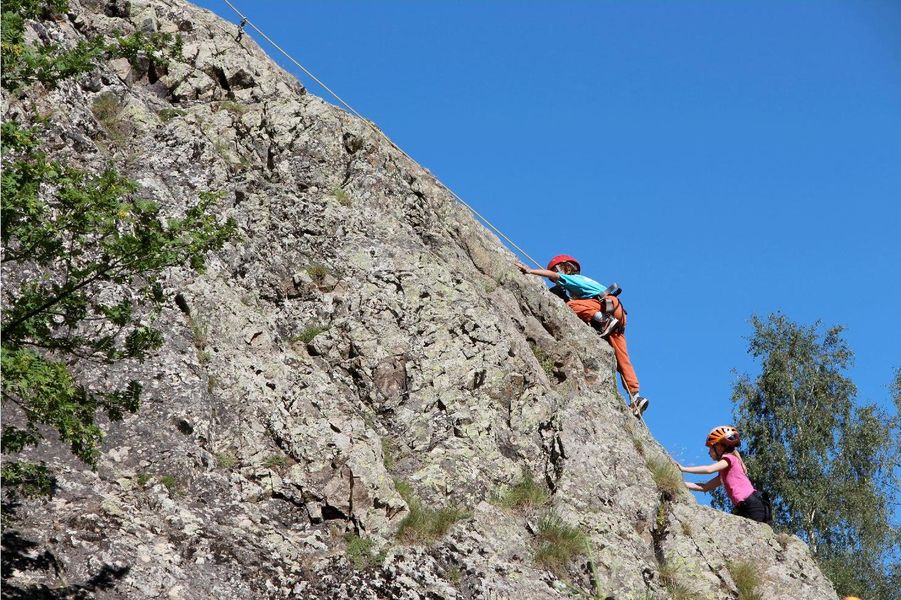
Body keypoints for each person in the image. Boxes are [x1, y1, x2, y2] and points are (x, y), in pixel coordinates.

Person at [515, 254, 648, 416]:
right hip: (618, 316)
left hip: (606, 308)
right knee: (622, 360)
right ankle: (636, 397)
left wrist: (529, 271)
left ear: (566, 268)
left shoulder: (576, 280)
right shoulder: (586, 284)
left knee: (570, 305)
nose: (556, 277)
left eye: (557, 270)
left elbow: (556, 276)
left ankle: (603, 320)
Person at [678, 426, 771, 523]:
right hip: (744, 506)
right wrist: (681, 483)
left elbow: (709, 469)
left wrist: (683, 469)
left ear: (718, 447)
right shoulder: (724, 473)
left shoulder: (729, 459)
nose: (708, 452)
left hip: (752, 504)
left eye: (710, 448)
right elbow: (704, 487)